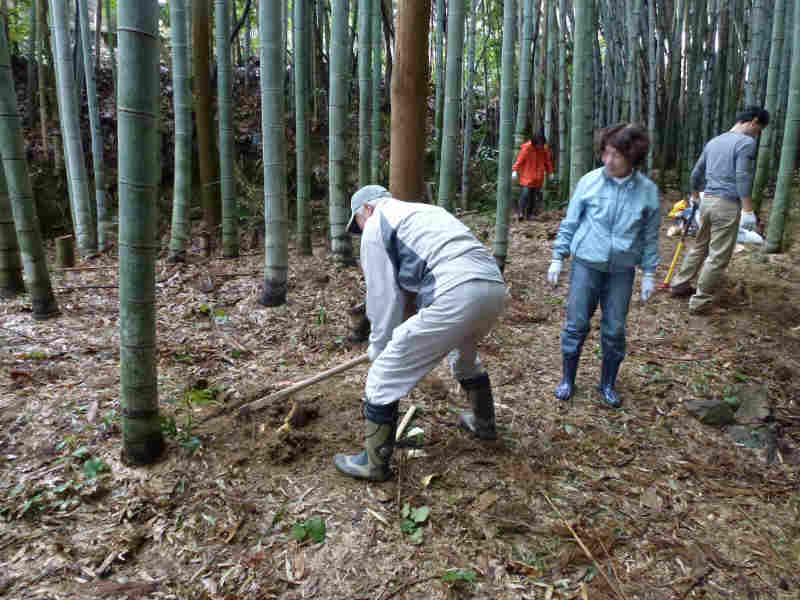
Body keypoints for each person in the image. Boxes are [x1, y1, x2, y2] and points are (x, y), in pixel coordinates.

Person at [334, 185, 506, 481]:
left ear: (368, 209)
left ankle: (373, 464)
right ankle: (484, 423)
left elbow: (384, 298)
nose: (360, 231)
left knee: (383, 376)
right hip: (493, 288)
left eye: (357, 224)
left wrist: (379, 347)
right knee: (465, 357)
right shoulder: (424, 212)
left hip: (455, 292)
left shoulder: (377, 223)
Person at [547, 123, 661, 408]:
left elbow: (650, 236)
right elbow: (571, 222)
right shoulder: (589, 181)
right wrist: (558, 257)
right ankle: (567, 379)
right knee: (575, 324)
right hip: (586, 263)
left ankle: (607, 383)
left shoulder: (647, 191)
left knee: (614, 329)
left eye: (616, 155)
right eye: (606, 153)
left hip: (622, 269)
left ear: (632, 158)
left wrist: (649, 273)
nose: (608, 160)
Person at [668, 106, 769, 315]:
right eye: (758, 130)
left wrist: (695, 196)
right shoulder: (746, 143)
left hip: (707, 201)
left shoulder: (714, 141)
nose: (757, 135)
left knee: (700, 246)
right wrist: (748, 210)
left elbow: (696, 173)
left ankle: (679, 285)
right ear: (753, 121)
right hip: (727, 204)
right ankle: (700, 303)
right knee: (718, 256)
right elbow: (742, 176)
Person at [512, 131, 554, 221]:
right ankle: (521, 213)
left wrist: (550, 172)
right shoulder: (527, 148)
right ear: (534, 142)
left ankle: (529, 214)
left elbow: (547, 161)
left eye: (541, 144)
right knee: (525, 193)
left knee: (533, 196)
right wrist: (515, 170)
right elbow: (520, 159)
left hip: (538, 176)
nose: (540, 146)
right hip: (527, 174)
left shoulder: (544, 149)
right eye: (539, 144)